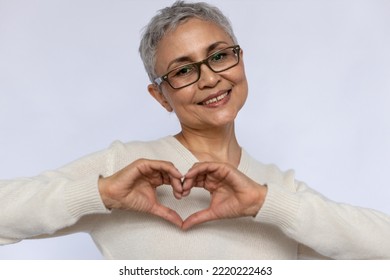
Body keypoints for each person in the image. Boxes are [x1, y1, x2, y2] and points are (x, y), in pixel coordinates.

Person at [1, 0, 390, 259]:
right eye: (184, 70)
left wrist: (263, 204)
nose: (209, 79)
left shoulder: (279, 191)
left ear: (240, 62)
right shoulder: (122, 168)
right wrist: (100, 193)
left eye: (219, 56)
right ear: (160, 96)